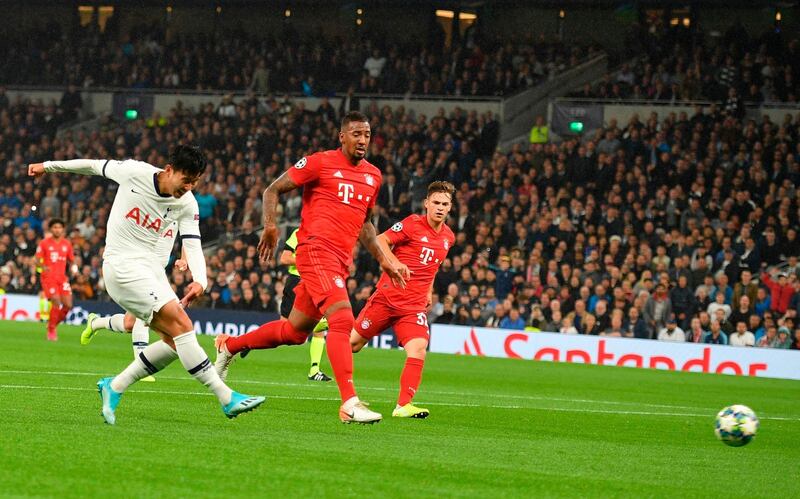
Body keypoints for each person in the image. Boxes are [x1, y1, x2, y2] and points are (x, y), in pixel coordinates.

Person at [28, 145, 265, 425]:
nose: (189, 186)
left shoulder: (187, 202)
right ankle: (226, 397)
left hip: (153, 273)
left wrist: (201, 280)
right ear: (169, 170)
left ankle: (114, 386)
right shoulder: (133, 172)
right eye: (185, 179)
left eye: (195, 181)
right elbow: (92, 165)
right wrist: (48, 165)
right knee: (184, 327)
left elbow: (192, 242)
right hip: (121, 266)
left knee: (175, 341)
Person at [213, 111, 408, 424]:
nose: (362, 140)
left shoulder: (373, 175)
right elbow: (272, 189)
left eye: (367, 135)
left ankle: (229, 346)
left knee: (294, 332)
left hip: (340, 261)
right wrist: (270, 226)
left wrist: (386, 259)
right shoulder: (319, 162)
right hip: (315, 252)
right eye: (356, 134)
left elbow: (366, 224)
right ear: (342, 136)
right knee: (342, 319)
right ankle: (349, 403)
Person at [350, 181, 456, 419]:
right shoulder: (412, 224)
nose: (440, 207)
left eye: (445, 204)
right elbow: (380, 240)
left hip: (414, 306)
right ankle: (347, 392)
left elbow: (433, 267)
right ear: (426, 203)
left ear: (450, 208)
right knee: (352, 346)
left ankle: (403, 405)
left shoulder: (449, 237)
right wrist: (393, 263)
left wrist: (428, 290)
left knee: (418, 349)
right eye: (436, 203)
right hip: (387, 298)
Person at [79, 246, 190, 384]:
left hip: (157, 270)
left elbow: (187, 232)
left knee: (129, 324)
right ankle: (142, 366)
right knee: (145, 312)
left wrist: (184, 258)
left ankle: (95, 323)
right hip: (137, 266)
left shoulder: (176, 223)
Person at [278, 228, 332, 381]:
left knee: (318, 329)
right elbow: (284, 258)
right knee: (283, 331)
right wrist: (307, 260)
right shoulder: (299, 232)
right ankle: (246, 343)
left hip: (315, 282)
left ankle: (314, 370)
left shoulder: (325, 233)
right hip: (297, 282)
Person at [35, 218, 76, 341]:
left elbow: (72, 260)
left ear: (63, 230)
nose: (57, 229)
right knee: (56, 301)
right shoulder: (44, 243)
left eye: (59, 227)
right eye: (55, 227)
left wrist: (74, 269)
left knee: (68, 305)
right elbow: (37, 260)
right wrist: (43, 266)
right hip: (48, 277)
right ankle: (52, 330)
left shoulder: (66, 244)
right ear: (51, 229)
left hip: (62, 278)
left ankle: (52, 324)